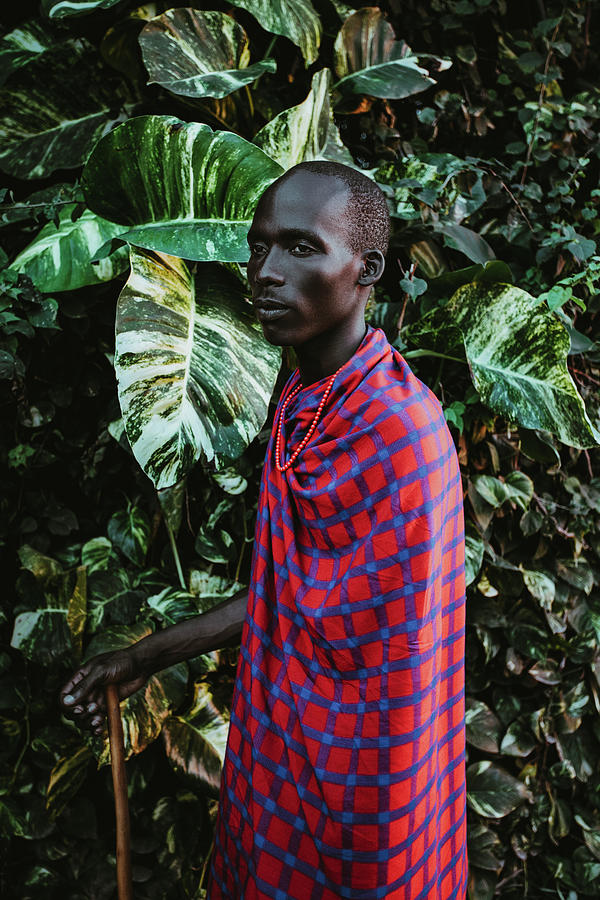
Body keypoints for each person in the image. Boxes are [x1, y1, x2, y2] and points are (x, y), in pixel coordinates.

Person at [61, 161, 467, 899]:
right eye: (258, 248)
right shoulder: (304, 404)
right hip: (277, 761)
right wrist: (142, 658)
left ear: (366, 267)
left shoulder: (402, 433)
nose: (266, 273)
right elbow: (285, 597)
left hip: (368, 791)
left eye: (300, 248)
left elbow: (396, 652)